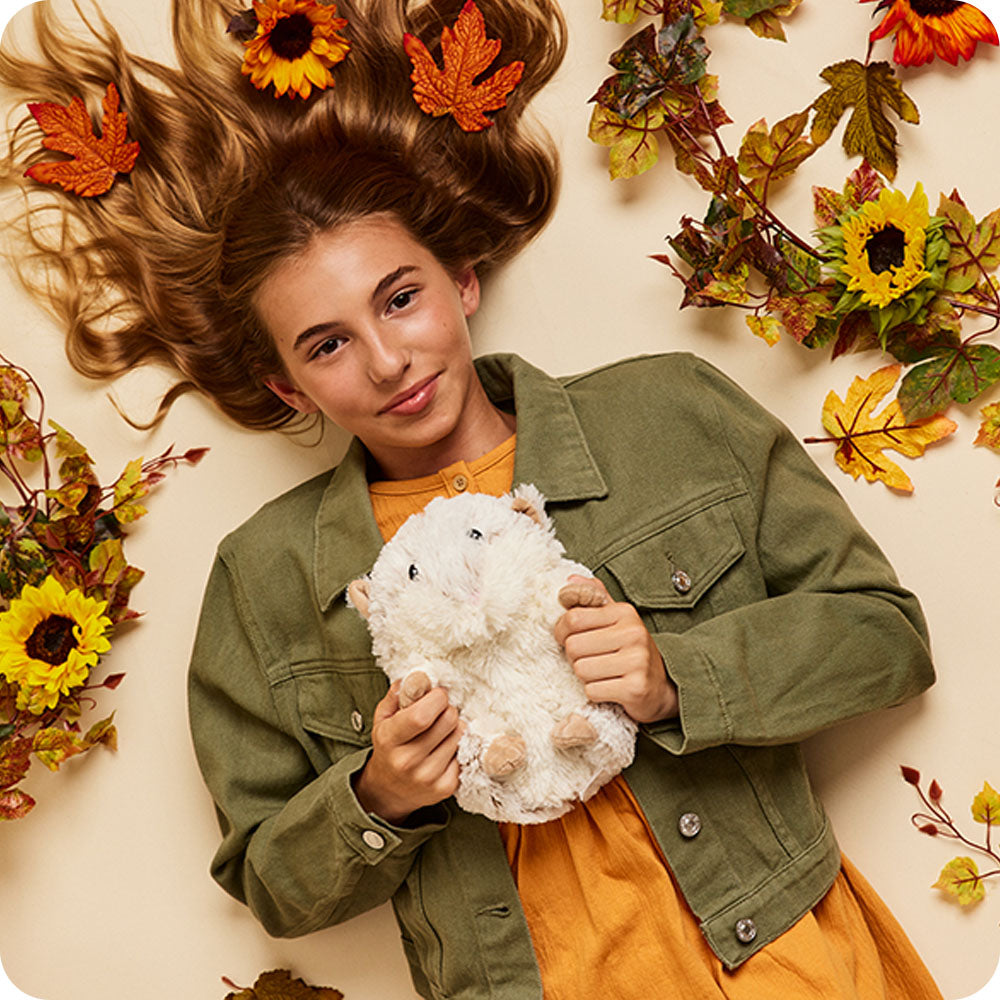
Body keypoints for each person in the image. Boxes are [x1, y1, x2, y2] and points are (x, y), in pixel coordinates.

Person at [0, 1, 944, 997]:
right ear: (289, 388)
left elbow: (886, 638)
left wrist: (677, 676)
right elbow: (268, 881)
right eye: (325, 345)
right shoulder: (264, 577)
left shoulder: (667, 411)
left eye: (399, 297)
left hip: (785, 961)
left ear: (460, 280)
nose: (386, 358)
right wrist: (379, 795)